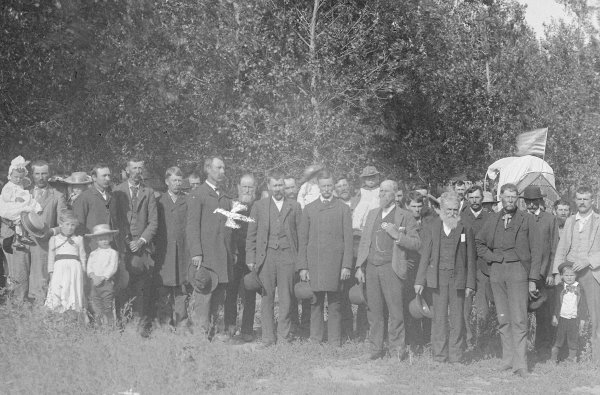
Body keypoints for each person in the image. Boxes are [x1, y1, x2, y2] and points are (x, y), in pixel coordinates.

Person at [476, 183, 541, 377]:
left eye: (514, 197)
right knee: (503, 318)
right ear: (501, 198)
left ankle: (521, 364)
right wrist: (493, 258)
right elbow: (479, 243)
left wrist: (532, 279)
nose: (510, 200)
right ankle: (508, 360)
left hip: (519, 272)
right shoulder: (493, 219)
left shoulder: (527, 219)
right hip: (497, 273)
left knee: (519, 319)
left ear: (518, 199)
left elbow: (536, 251)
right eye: (507, 197)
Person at [355, 180, 421, 359]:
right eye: (380, 191)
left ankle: (396, 350)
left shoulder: (404, 216)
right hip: (371, 268)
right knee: (374, 310)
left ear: (395, 194)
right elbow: (364, 242)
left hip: (392, 269)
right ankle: (375, 349)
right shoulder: (372, 214)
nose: (382, 195)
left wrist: (397, 236)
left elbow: (416, 243)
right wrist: (360, 266)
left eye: (386, 192)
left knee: (395, 312)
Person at [415, 192, 476, 363]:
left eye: (455, 209)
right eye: (448, 209)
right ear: (441, 209)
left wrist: (470, 284)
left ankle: (456, 357)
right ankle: (439, 356)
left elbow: (471, 258)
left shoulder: (466, 227)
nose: (451, 213)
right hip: (438, 279)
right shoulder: (433, 226)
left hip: (458, 279)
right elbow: (425, 255)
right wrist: (420, 281)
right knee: (439, 319)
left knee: (457, 319)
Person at [297, 170, 353, 346]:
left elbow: (348, 240)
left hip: (336, 265)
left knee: (335, 303)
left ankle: (335, 341)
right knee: (315, 302)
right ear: (319, 187)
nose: (327, 189)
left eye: (330, 185)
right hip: (315, 265)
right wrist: (303, 267)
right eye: (324, 186)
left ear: (334, 186)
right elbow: (303, 240)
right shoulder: (309, 209)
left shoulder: (343, 209)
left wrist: (346, 266)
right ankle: (316, 339)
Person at [246, 171, 302, 347]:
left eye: (281, 185)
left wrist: (301, 262)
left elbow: (301, 236)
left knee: (286, 299)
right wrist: (250, 257)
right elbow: (251, 235)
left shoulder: (295, 206)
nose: (278, 189)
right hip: (267, 257)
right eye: (275, 185)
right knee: (266, 298)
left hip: (287, 257)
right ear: (269, 186)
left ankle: (284, 337)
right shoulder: (259, 206)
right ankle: (268, 338)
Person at [186, 156, 234, 341]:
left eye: (223, 168)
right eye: (218, 167)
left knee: (217, 301)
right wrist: (196, 252)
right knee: (203, 299)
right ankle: (199, 340)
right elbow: (191, 226)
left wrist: (232, 253)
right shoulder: (198, 194)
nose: (222, 171)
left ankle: (210, 339)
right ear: (208, 169)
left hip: (222, 257)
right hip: (205, 258)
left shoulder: (223, 195)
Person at [552, 186, 600, 363]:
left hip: (591, 273)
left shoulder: (598, 220)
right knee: (565, 311)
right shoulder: (571, 220)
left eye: (585, 199)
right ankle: (566, 354)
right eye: (579, 199)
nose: (581, 202)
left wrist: (588, 260)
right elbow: (562, 248)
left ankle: (596, 359)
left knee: (596, 316)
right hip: (569, 273)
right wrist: (558, 272)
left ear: (592, 201)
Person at [113, 158, 158, 336]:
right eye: (134, 168)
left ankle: (139, 328)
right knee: (123, 287)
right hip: (123, 248)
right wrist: (126, 241)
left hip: (141, 249)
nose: (138, 171)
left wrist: (141, 240)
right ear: (127, 170)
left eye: (140, 168)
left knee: (141, 289)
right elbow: (115, 219)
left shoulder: (148, 192)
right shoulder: (117, 191)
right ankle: (122, 326)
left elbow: (153, 222)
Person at [522, 185, 559, 358]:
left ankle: (542, 349)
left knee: (543, 313)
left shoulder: (549, 219)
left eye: (534, 201)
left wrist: (551, 272)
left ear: (540, 201)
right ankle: (522, 349)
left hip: (544, 274)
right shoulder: (520, 218)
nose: (531, 205)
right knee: (522, 311)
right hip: (523, 273)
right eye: (528, 201)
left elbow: (554, 248)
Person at [224, 173, 258, 342]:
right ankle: (229, 328)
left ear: (255, 189)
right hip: (235, 256)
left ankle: (247, 330)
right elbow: (228, 232)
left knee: (249, 293)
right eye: (244, 186)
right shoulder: (233, 206)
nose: (247, 189)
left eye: (250, 186)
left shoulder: (258, 206)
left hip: (252, 257)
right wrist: (232, 253)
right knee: (231, 293)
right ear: (238, 188)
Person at [155, 167, 190, 329]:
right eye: (174, 180)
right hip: (164, 254)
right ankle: (165, 325)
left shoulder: (188, 200)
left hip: (183, 253)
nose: (177, 184)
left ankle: (181, 324)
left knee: (181, 290)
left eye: (179, 180)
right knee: (164, 290)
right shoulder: (159, 201)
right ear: (166, 182)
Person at [28, 160, 67, 304]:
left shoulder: (57, 195)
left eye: (44, 173)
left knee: (40, 284)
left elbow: (64, 224)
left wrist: (51, 231)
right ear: (32, 175)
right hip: (22, 244)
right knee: (20, 281)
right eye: (37, 174)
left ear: (49, 174)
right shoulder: (24, 193)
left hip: (43, 245)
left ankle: (39, 318)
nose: (40, 177)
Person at [460, 185, 492, 348]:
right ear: (467, 199)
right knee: (464, 306)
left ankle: (482, 340)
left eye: (477, 197)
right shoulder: (461, 217)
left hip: (483, 267)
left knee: (483, 307)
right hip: (465, 267)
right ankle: (467, 339)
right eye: (471, 197)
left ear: (482, 199)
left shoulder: (490, 217)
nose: (474, 201)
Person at [45, 210, 86, 314]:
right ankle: (58, 316)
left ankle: (73, 315)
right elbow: (51, 257)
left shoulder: (79, 239)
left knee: (72, 291)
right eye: (67, 224)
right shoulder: (54, 239)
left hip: (75, 270)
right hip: (59, 269)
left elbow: (82, 256)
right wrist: (51, 272)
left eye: (73, 225)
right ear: (60, 224)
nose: (70, 227)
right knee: (58, 291)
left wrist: (83, 271)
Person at [0, 156, 41, 248]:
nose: (18, 180)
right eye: (16, 177)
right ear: (10, 176)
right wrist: (14, 199)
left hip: (19, 204)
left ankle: (22, 236)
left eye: (21, 178)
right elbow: (5, 196)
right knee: (20, 218)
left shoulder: (19, 184)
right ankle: (19, 237)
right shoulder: (8, 186)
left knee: (24, 216)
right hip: (11, 205)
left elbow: (26, 183)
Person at [551, 262, 587, 363]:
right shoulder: (559, 287)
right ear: (562, 276)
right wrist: (554, 316)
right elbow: (555, 303)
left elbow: (583, 304)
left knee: (573, 338)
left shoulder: (579, 288)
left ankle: (571, 358)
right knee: (558, 338)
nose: (569, 277)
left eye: (572, 275)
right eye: (566, 275)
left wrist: (583, 319)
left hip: (574, 318)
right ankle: (553, 358)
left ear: (576, 275)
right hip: (561, 317)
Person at [85, 224, 119, 326]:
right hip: (94, 283)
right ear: (96, 240)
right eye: (100, 239)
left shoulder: (112, 253)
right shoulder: (93, 254)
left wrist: (103, 277)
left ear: (110, 238)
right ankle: (98, 327)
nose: (104, 241)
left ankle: (110, 327)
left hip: (106, 283)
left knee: (107, 307)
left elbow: (112, 267)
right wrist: (93, 276)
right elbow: (89, 267)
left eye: (106, 238)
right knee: (96, 307)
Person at [352, 166, 381, 233]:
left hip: (375, 210)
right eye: (368, 179)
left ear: (377, 179)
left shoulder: (379, 190)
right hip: (363, 211)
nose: (371, 181)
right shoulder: (362, 190)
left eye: (373, 178)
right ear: (364, 180)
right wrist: (353, 209)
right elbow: (356, 201)